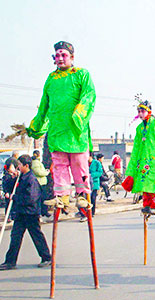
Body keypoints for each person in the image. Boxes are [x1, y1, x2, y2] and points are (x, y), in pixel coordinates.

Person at [25, 41, 95, 213]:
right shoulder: (51, 78)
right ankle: (62, 196)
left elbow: (89, 95)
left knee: (79, 163)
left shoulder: (82, 74)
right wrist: (36, 126)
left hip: (75, 131)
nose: (60, 58)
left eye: (64, 55)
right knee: (59, 165)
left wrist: (79, 114)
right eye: (57, 55)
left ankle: (81, 194)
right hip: (57, 131)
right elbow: (44, 105)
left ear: (72, 57)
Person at [0, 155, 51, 270]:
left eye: (19, 165)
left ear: (26, 166)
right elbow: (9, 186)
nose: (18, 167)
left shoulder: (31, 179)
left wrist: (15, 197)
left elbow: (30, 198)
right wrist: (13, 177)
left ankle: (46, 257)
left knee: (36, 236)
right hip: (21, 213)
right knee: (15, 236)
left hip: (30, 213)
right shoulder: (21, 177)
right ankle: (10, 261)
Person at [31, 150, 51, 219]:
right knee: (42, 198)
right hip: (40, 183)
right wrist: (46, 172)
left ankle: (44, 211)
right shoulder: (35, 163)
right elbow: (39, 172)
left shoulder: (38, 162)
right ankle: (42, 212)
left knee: (44, 197)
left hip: (42, 182)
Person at [85, 152, 103, 220]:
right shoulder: (84, 163)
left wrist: (91, 175)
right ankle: (87, 211)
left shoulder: (97, 163)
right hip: (86, 183)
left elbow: (100, 172)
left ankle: (92, 212)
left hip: (94, 183)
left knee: (93, 198)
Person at [2, 158, 19, 223]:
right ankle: (8, 217)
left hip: (14, 192)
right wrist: (6, 192)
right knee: (8, 205)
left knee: (14, 205)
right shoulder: (6, 176)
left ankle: (13, 216)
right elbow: (5, 185)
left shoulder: (15, 175)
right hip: (9, 192)